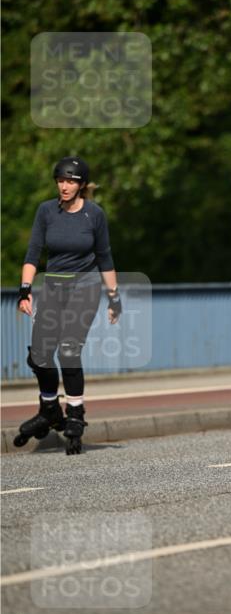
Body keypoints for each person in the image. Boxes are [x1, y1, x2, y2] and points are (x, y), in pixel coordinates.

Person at [15, 157, 122, 452]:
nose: (65, 186)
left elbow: (105, 257)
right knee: (38, 355)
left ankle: (75, 413)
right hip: (53, 287)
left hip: (85, 288)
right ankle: (49, 406)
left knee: (69, 350)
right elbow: (33, 251)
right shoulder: (46, 211)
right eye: (61, 180)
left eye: (71, 181)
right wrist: (24, 291)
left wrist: (114, 297)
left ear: (82, 185)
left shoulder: (94, 215)